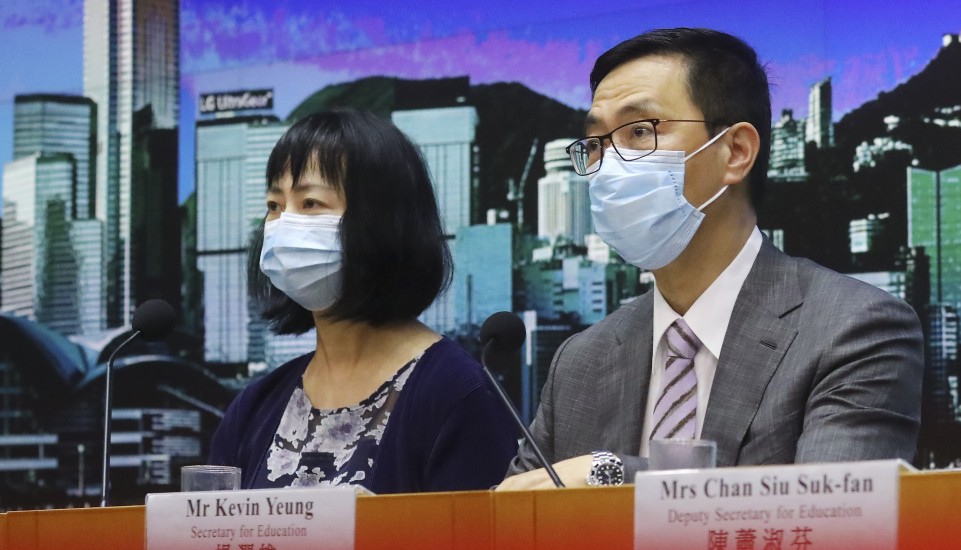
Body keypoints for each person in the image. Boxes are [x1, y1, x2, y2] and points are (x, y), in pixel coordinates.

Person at [499, 28, 923, 490]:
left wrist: (615, 474)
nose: (608, 166)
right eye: (596, 143)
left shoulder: (854, 328)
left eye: (640, 131)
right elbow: (513, 525)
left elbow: (833, 519)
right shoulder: (580, 362)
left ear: (736, 152)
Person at [209, 108, 518, 493]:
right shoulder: (256, 406)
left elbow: (481, 546)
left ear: (383, 222)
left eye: (310, 204)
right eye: (275, 206)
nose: (284, 224)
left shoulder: (456, 394)